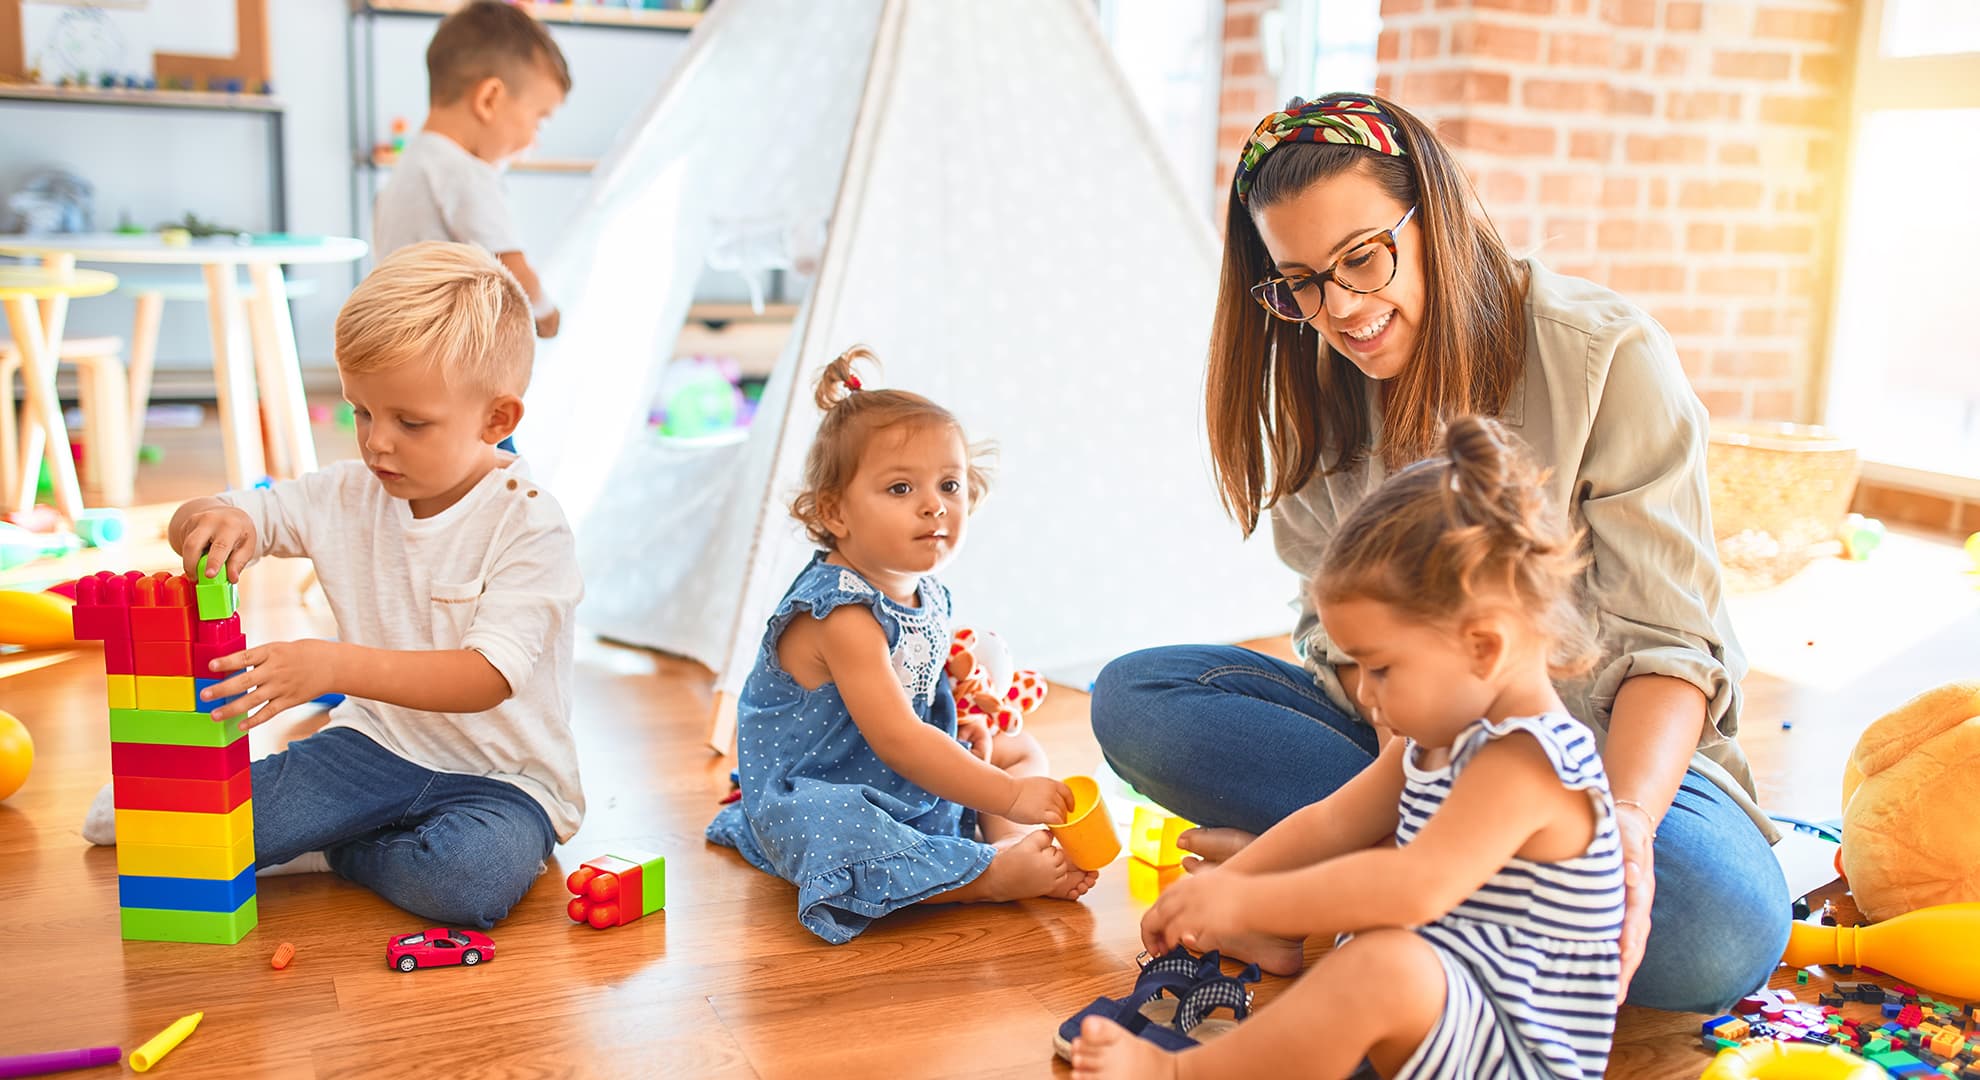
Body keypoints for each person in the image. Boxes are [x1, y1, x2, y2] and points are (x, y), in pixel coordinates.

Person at [1089, 93, 1787, 1013]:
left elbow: (1672, 650)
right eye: (1300, 282)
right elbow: (1344, 647)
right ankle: (1432, 887)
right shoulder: (1314, 384)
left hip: (1598, 761)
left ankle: (1374, 886)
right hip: (1414, 734)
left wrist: (1623, 827)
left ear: (1435, 216)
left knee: (1715, 934)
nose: (1341, 309)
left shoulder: (1604, 356)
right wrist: (1406, 782)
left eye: (1363, 258)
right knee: (1138, 698)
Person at [1076, 417, 1622, 1079]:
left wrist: (1242, 904)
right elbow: (1330, 822)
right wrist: (1230, 883)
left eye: (1382, 669)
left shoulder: (1527, 762)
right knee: (1373, 955)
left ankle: (1180, 1074)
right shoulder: (1434, 742)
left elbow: (1411, 888)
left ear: (1483, 647)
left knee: (1381, 960)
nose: (1364, 695)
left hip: (1516, 1056)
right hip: (1449, 1022)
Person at [84, 242, 583, 928]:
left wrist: (330, 664)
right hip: (373, 748)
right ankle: (297, 823)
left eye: (410, 423)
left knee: (467, 885)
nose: (377, 443)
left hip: (503, 781)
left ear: (496, 420)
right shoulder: (347, 493)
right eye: (362, 412)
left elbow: (485, 679)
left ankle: (339, 847)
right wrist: (211, 523)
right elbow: (225, 511)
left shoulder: (529, 524)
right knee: (184, 837)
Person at [706, 346, 1097, 944]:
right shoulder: (841, 613)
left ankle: (1010, 844)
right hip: (828, 784)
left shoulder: (927, 592)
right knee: (836, 831)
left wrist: (965, 691)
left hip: (901, 773)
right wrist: (1012, 794)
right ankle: (984, 877)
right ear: (835, 512)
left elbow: (923, 670)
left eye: (950, 484)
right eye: (899, 488)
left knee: (1016, 748)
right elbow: (899, 737)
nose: (934, 504)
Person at [372, 0, 568, 340]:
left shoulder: (411, 165)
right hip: (447, 356)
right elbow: (514, 271)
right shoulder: (464, 173)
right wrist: (547, 313)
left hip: (396, 346)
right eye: (539, 119)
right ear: (489, 99)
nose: (534, 139)